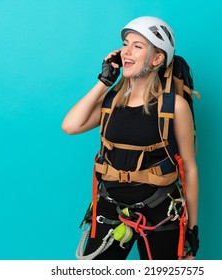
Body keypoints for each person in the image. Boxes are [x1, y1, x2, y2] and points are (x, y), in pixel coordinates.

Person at [62, 16, 199, 260]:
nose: (126, 51)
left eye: (138, 46)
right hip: (110, 208)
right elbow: (71, 126)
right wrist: (104, 82)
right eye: (126, 44)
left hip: (161, 211)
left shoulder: (175, 106)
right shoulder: (111, 102)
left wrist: (191, 230)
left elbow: (188, 167)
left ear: (157, 59)